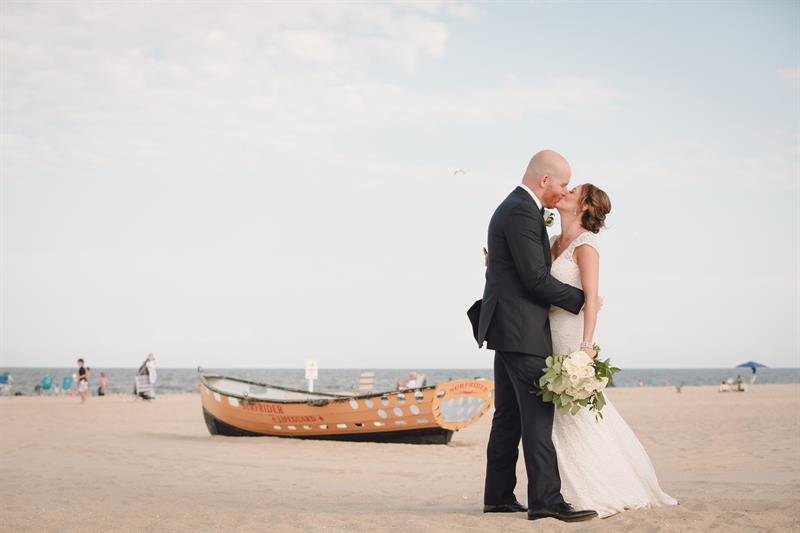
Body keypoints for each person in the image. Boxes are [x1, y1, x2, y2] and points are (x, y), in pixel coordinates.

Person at [468, 150, 597, 522]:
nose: (564, 190)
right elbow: (536, 280)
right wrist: (584, 300)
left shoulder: (515, 208)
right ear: (544, 181)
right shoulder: (522, 211)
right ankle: (546, 501)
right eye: (562, 184)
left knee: (508, 417)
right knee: (537, 419)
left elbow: (515, 269)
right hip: (521, 330)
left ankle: (498, 496)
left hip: (506, 328)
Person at [545, 181, 677, 517]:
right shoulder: (552, 242)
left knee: (578, 413)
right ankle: (561, 487)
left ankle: (599, 487)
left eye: (573, 191)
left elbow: (591, 300)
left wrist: (586, 348)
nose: (565, 192)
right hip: (546, 335)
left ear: (585, 206)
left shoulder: (586, 246)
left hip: (572, 337)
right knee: (557, 418)